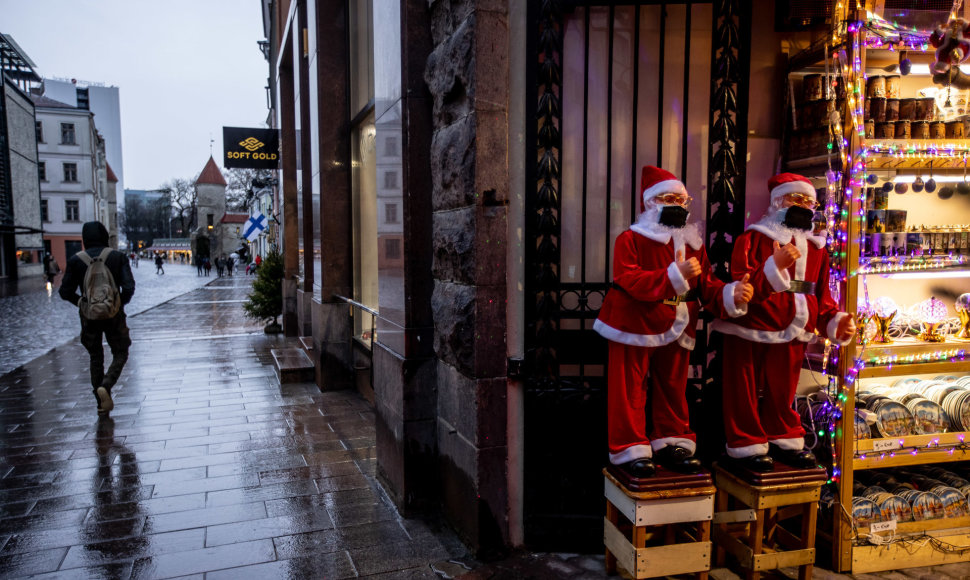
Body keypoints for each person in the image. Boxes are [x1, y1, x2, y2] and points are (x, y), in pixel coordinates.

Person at [593, 166, 754, 478]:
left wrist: (733, 293)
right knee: (629, 388)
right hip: (633, 324)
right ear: (651, 203)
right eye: (670, 198)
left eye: (683, 200)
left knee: (673, 386)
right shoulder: (630, 239)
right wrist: (674, 276)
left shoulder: (694, 243)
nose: (679, 205)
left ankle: (671, 441)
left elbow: (707, 285)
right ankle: (629, 448)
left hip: (679, 324)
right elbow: (628, 278)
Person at [711, 173, 855, 472]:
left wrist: (833, 321)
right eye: (795, 199)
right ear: (778, 201)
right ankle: (745, 443)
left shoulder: (817, 249)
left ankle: (784, 437)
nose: (802, 205)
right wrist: (774, 268)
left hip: (796, 326)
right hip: (751, 325)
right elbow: (743, 284)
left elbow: (822, 292)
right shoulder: (752, 239)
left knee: (783, 389)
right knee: (744, 387)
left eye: (808, 201)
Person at [59, 221, 135, 416]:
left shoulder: (76, 260)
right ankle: (107, 384)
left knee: (95, 356)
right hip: (114, 314)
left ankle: (101, 402)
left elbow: (64, 292)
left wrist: (83, 303)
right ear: (104, 237)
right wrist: (119, 304)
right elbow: (128, 287)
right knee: (121, 351)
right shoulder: (117, 257)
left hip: (89, 316)